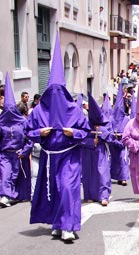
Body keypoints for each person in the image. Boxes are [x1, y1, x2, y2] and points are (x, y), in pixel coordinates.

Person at [25, 33, 90, 242]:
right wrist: (39, 133)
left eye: (58, 91)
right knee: (51, 189)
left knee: (67, 188)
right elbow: (27, 132)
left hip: (68, 156)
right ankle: (57, 222)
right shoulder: (37, 111)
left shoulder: (75, 110)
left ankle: (68, 226)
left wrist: (74, 133)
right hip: (48, 157)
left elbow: (86, 132)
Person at [0, 74, 33, 207]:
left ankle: (15, 195)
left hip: (19, 154)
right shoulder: (1, 123)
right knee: (6, 174)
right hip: (5, 154)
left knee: (16, 176)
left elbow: (30, 139)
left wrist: (25, 151)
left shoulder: (23, 123)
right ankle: (5, 196)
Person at [81, 93, 117, 207]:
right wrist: (91, 142)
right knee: (89, 172)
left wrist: (101, 131)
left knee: (102, 172)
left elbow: (111, 137)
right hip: (88, 151)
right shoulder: (85, 124)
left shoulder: (106, 123)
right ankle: (89, 195)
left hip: (101, 151)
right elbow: (79, 138)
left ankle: (103, 196)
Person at [109, 82, 130, 186]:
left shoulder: (126, 119)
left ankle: (124, 178)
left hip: (122, 142)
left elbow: (128, 130)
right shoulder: (111, 118)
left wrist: (121, 135)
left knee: (123, 159)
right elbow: (109, 128)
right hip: (113, 142)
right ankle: (118, 177)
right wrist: (113, 134)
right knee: (115, 160)